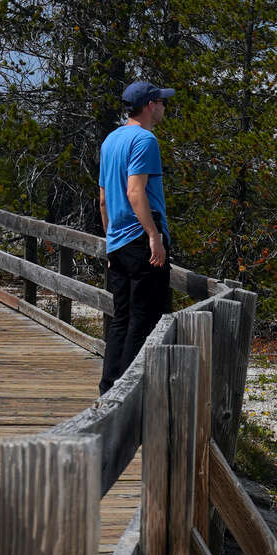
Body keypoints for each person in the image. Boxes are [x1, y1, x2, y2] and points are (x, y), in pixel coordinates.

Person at [98, 80, 174, 392]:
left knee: (121, 319)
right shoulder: (145, 141)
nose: (164, 107)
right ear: (148, 106)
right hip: (141, 240)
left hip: (118, 241)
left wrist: (110, 241)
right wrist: (153, 235)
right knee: (145, 320)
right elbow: (134, 191)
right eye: (161, 101)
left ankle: (109, 387)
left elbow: (102, 199)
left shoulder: (110, 140)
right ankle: (126, 394)